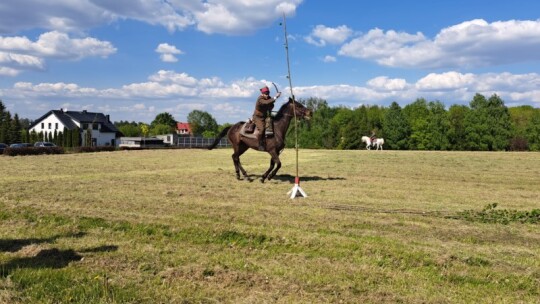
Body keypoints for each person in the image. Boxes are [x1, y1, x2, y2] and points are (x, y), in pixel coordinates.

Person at [253, 86, 281, 150]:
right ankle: (260, 143)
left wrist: (275, 98)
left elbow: (271, 102)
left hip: (265, 116)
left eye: (268, 93)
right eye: (266, 94)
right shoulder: (260, 99)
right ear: (262, 93)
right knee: (262, 129)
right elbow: (266, 102)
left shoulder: (268, 98)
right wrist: (276, 97)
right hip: (258, 117)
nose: (267, 95)